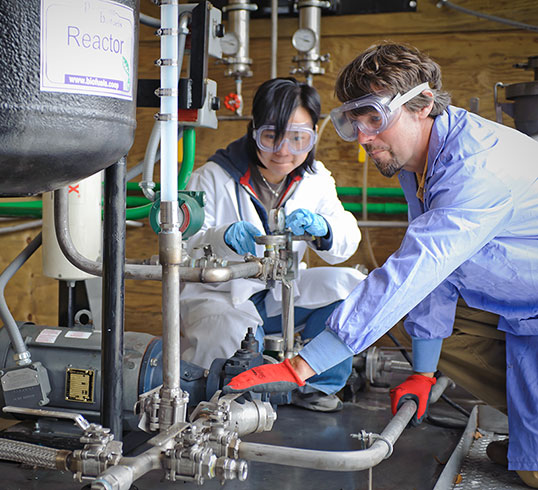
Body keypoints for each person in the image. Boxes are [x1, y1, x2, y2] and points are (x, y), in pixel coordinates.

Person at [223, 43, 538, 487]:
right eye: (354, 121)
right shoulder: (418, 163)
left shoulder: (475, 167)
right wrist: (424, 372)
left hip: (532, 312)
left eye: (374, 117)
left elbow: (420, 266)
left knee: (532, 473)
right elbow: (436, 276)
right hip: (522, 310)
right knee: (410, 308)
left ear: (422, 104)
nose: (364, 136)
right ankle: (529, 435)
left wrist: (303, 365)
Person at [180, 77, 364, 412]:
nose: (283, 151)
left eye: (298, 139)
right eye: (271, 137)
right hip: (224, 296)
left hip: (282, 294)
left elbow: (347, 239)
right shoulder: (212, 177)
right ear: (253, 132)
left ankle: (315, 385)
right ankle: (247, 399)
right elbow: (185, 247)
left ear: (312, 136)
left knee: (352, 288)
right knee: (235, 355)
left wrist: (324, 230)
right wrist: (221, 239)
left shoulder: (316, 179)